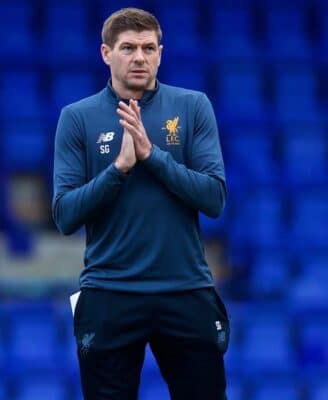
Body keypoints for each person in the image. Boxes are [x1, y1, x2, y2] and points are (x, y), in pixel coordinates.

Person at [52, 8, 229, 400]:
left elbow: (213, 198)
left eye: (149, 48)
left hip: (185, 289)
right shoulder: (77, 118)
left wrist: (152, 156)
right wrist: (119, 169)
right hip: (109, 291)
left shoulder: (193, 106)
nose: (139, 57)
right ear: (105, 53)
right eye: (128, 48)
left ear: (160, 54)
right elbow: (64, 215)